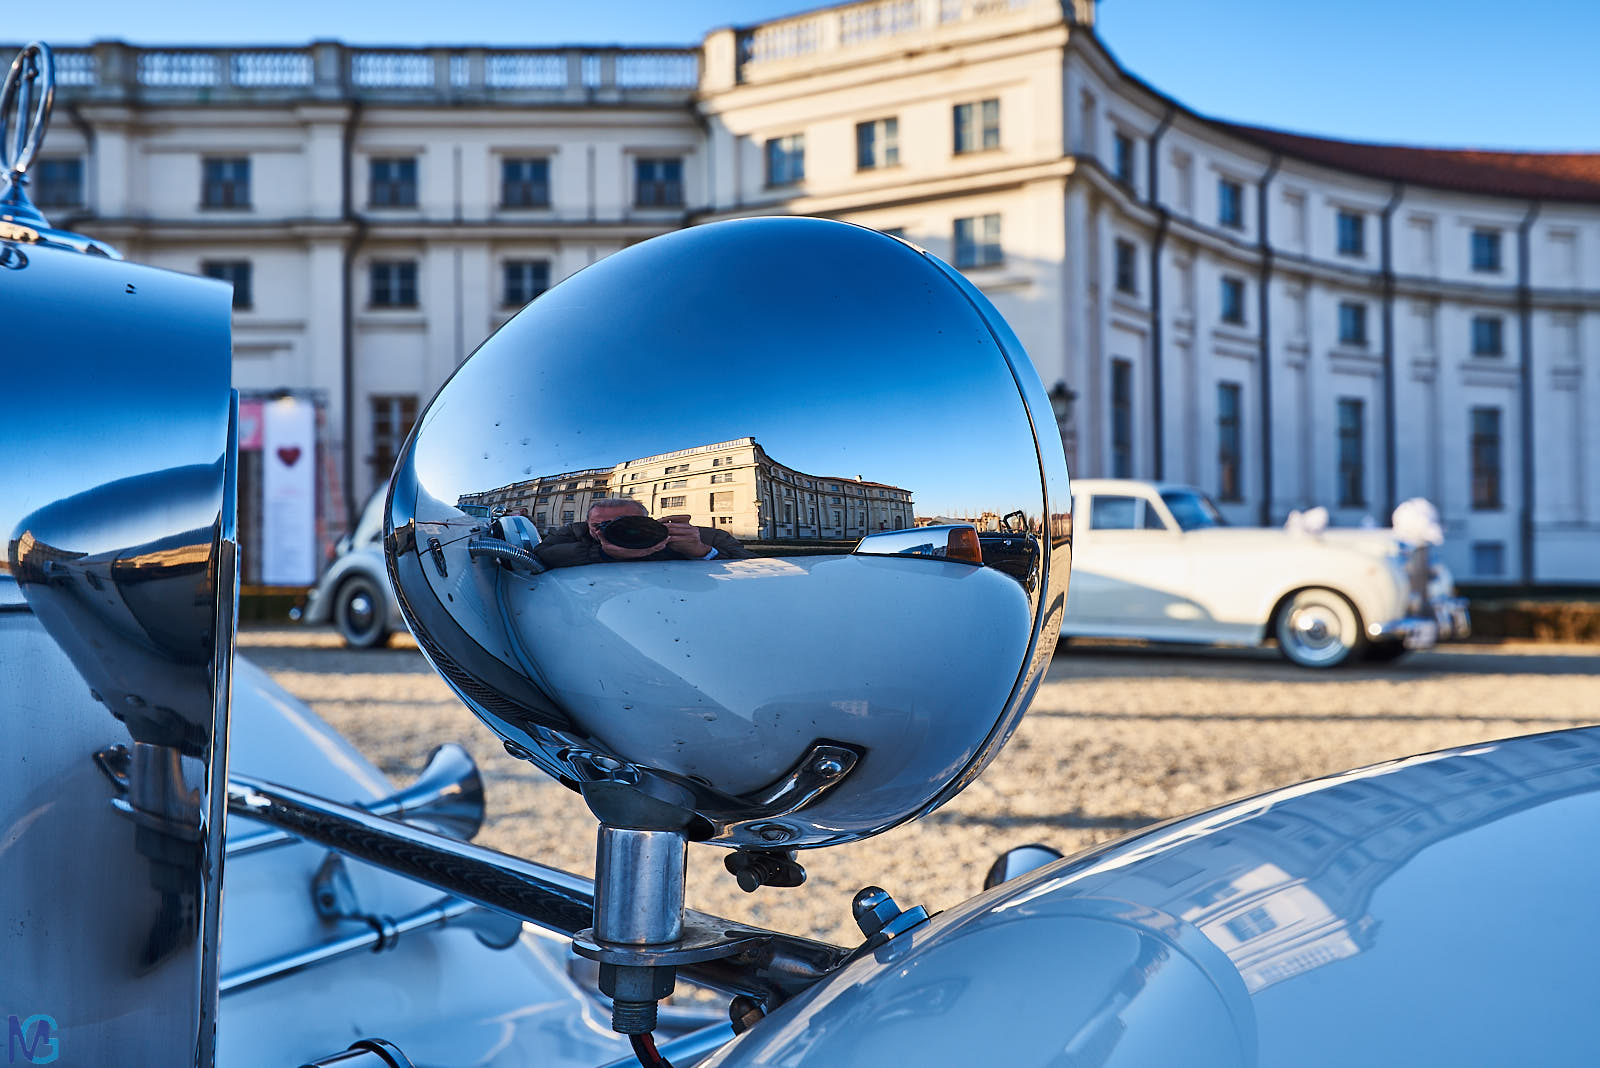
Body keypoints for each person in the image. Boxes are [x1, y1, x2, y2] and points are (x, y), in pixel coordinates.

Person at [533, 498, 753, 569]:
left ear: (648, 521)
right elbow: (540, 554)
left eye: (627, 524)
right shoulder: (575, 531)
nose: (615, 531)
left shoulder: (698, 535)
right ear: (587, 523)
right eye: (599, 525)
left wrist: (702, 551)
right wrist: (600, 553)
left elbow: (752, 566)